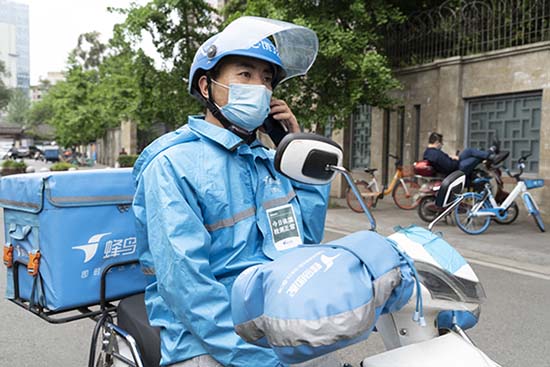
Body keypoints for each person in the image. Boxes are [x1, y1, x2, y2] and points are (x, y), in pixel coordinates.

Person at [132, 17, 330, 367]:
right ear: (207, 87)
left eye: (267, 79)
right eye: (245, 75)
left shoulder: (270, 161)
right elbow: (188, 287)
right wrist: (256, 357)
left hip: (277, 324)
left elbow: (305, 243)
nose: (261, 87)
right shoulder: (173, 164)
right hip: (205, 340)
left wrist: (294, 150)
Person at [423, 132, 507, 176]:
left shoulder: (429, 152)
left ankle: (491, 153)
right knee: (476, 158)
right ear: (437, 142)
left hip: (454, 164)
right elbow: (449, 166)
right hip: (456, 169)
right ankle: (492, 154)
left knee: (469, 151)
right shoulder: (435, 154)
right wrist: (455, 159)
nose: (442, 145)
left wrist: (451, 157)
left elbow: (443, 161)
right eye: (441, 143)